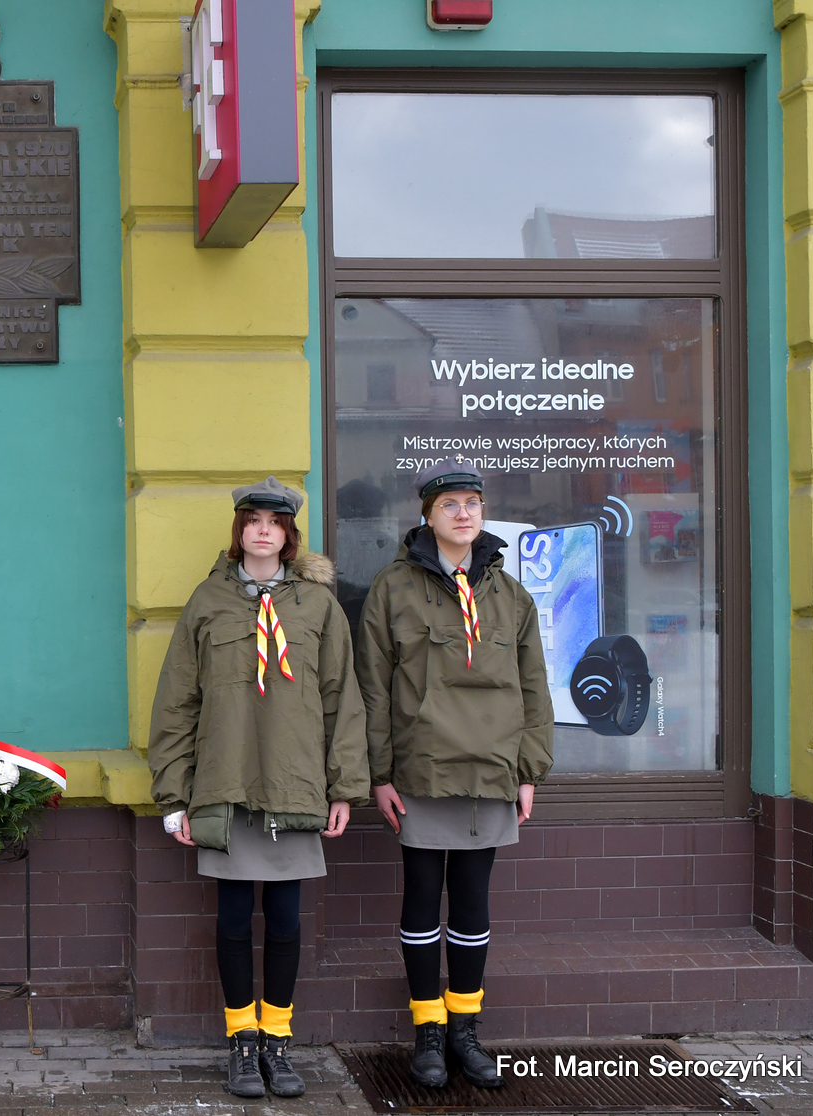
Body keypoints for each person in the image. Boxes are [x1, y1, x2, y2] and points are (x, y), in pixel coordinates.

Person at [147, 477, 369, 1099]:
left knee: (287, 919)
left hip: (296, 787)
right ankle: (241, 1042)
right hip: (227, 785)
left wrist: (343, 787)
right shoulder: (208, 602)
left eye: (276, 520)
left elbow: (342, 701)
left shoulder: (318, 607)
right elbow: (176, 704)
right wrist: (174, 796)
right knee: (235, 917)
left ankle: (278, 1040)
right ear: (240, 530)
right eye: (253, 519)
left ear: (290, 533)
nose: (263, 529)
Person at [355, 456, 553, 1090]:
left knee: (472, 903)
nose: (463, 513)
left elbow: (534, 687)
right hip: (421, 772)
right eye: (449, 505)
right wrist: (379, 774)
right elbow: (374, 688)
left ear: (483, 512)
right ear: (427, 515)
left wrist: (529, 771)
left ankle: (467, 1032)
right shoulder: (393, 587)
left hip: (492, 770)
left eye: (472, 503)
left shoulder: (510, 592)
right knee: (420, 902)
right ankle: (428, 1036)